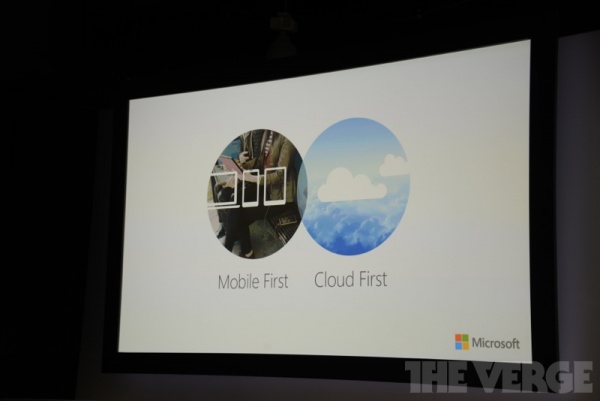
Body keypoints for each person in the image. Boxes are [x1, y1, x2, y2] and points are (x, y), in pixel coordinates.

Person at [222, 129, 297, 258]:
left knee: (238, 213)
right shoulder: (268, 133)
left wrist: (251, 178)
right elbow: (260, 162)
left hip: (280, 195)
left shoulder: (286, 139)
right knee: (236, 200)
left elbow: (280, 175)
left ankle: (237, 250)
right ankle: (242, 251)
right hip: (265, 187)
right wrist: (240, 167)